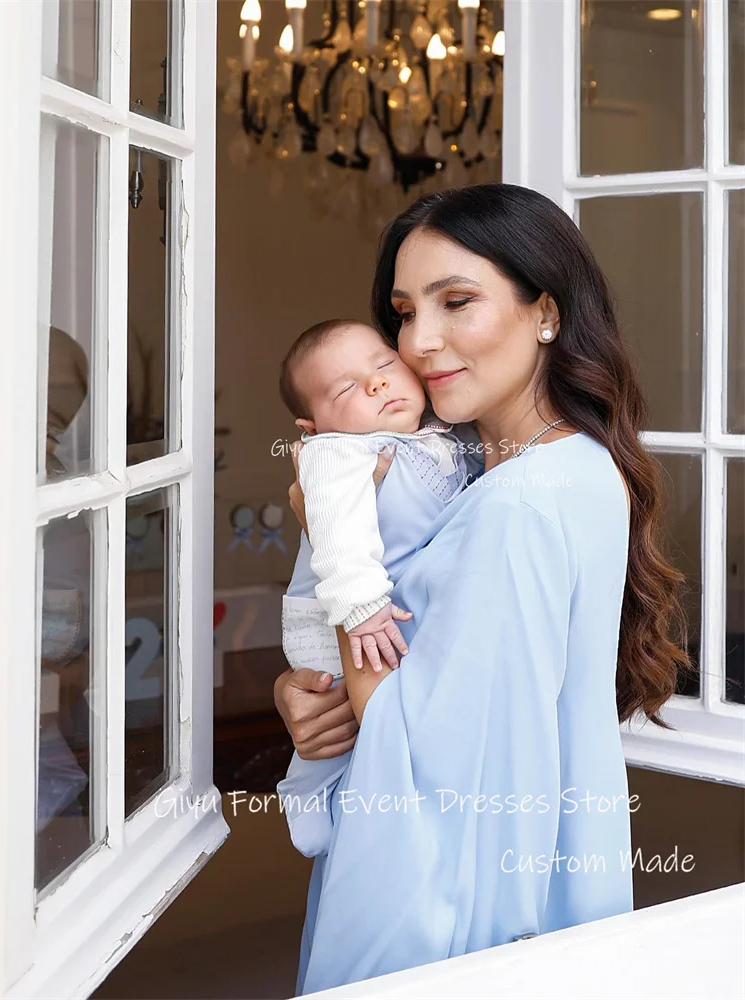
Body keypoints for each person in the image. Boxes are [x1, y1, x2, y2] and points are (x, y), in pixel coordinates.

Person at [273, 184, 689, 995]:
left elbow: (421, 746)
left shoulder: (520, 504)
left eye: (456, 301)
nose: (420, 342)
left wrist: (332, 548)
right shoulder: (506, 469)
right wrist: (311, 692)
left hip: (451, 899)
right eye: (402, 312)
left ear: (546, 311)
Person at [278, 318, 476, 675]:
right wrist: (360, 607)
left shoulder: (438, 433)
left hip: (399, 620)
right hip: (346, 624)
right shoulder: (337, 450)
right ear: (313, 428)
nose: (377, 383)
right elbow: (337, 528)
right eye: (345, 388)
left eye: (385, 364)